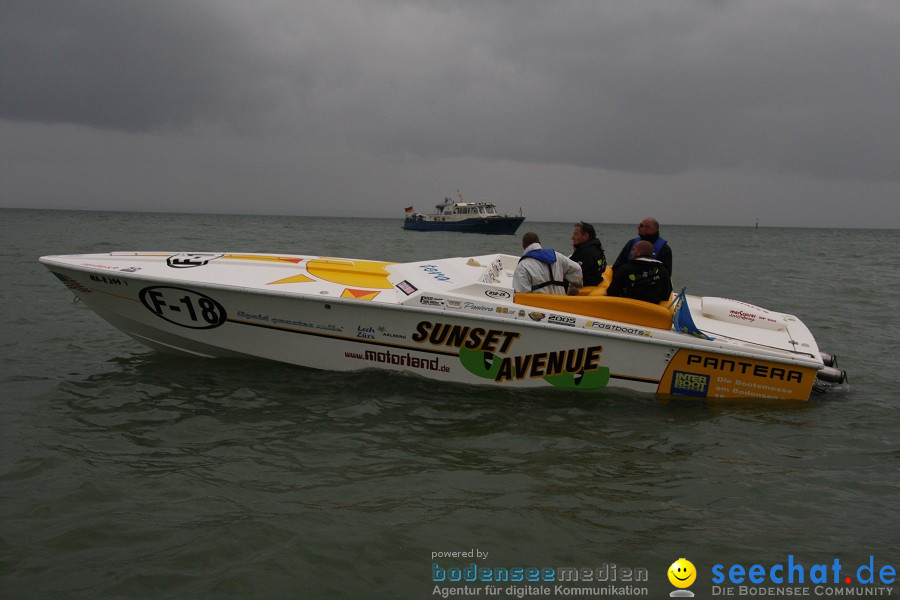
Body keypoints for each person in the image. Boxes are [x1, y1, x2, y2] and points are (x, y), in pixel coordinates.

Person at [513, 232, 583, 295]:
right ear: (539, 243)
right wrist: (573, 290)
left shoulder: (523, 265)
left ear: (523, 246)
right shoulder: (557, 256)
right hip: (562, 304)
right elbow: (577, 269)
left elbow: (521, 293)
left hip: (541, 307)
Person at [606, 240, 673, 303]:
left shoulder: (624, 269)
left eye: (634, 249)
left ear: (639, 253)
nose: (632, 252)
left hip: (627, 308)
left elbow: (612, 292)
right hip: (651, 311)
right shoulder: (663, 271)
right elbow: (666, 295)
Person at [569, 221, 607, 286]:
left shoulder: (585, 253)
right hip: (595, 284)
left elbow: (575, 276)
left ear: (585, 236)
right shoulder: (598, 249)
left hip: (583, 288)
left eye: (576, 234)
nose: (572, 238)